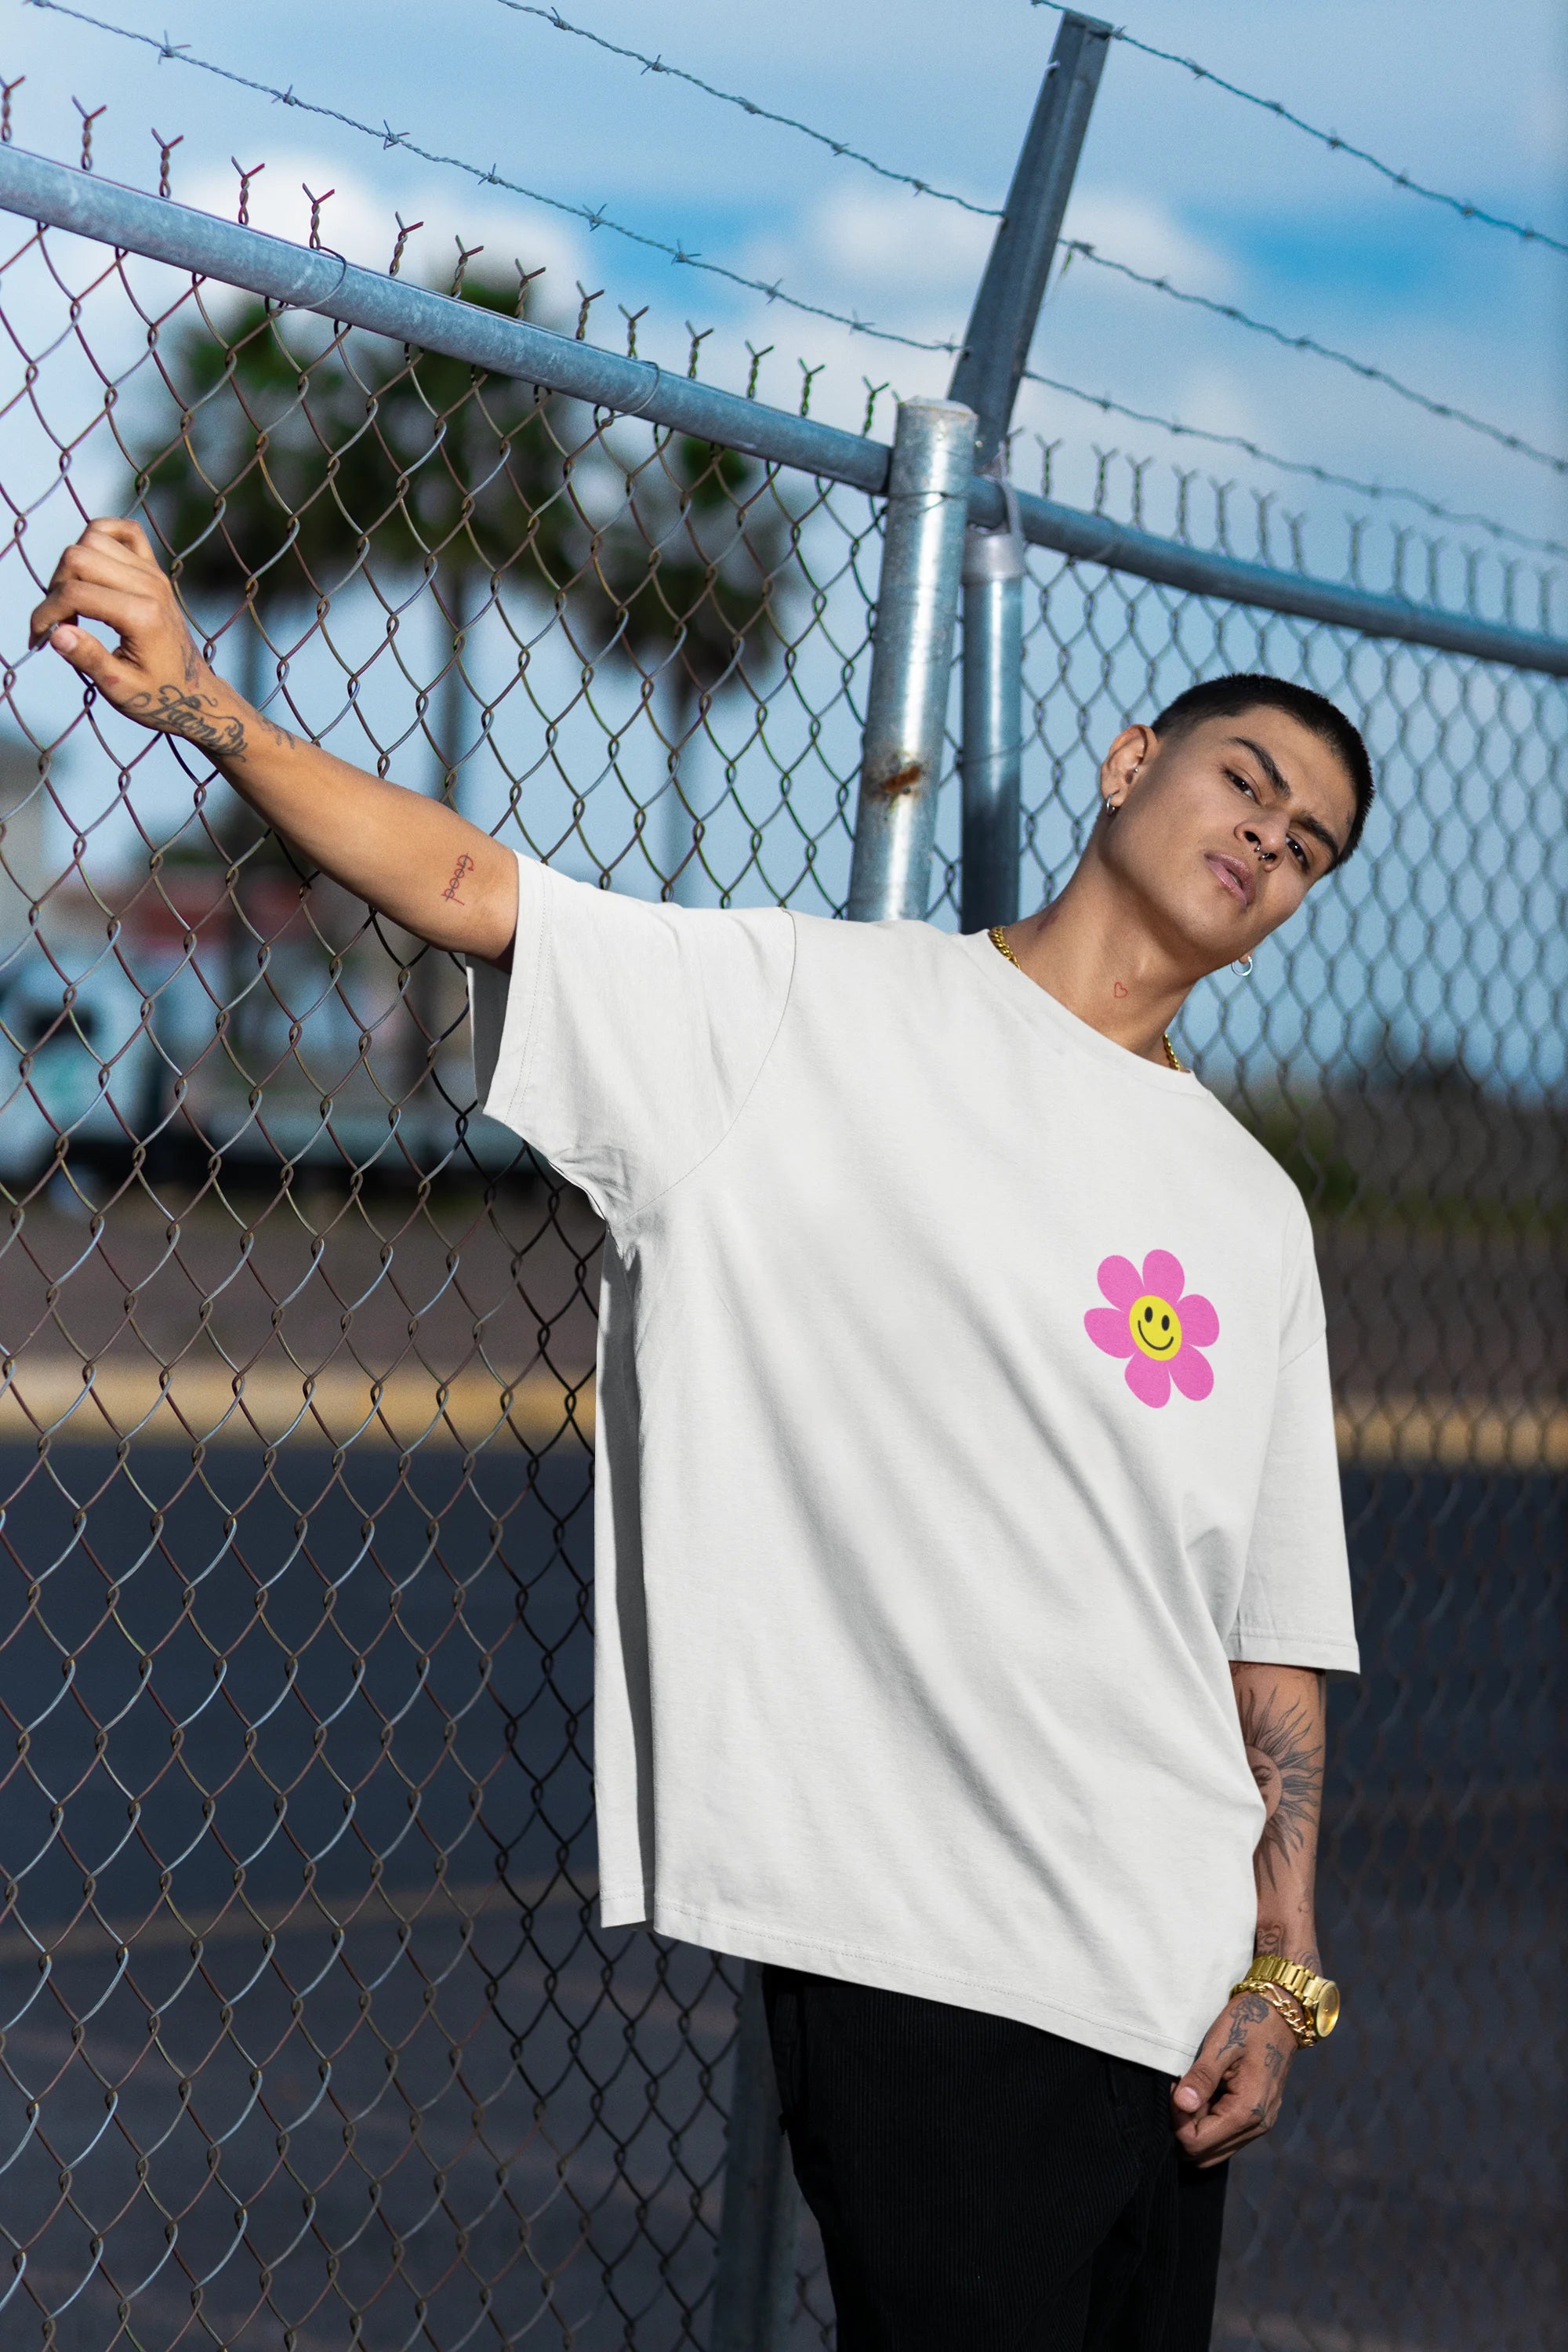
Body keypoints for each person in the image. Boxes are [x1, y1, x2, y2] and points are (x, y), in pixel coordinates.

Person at [32, 517, 1366, 2352]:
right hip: (931, 1941)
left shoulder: (1248, 1204)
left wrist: (1279, 1962)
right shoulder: (810, 1012)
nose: (1266, 842)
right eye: (1248, 782)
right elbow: (478, 886)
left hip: (1176, 1978)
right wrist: (206, 709)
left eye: (1306, 849)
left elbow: (1266, 1622)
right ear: (1132, 763)